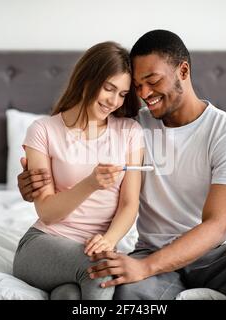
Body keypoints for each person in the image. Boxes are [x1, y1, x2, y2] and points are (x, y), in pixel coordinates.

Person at [17, 30, 226, 300]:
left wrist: (146, 267)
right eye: (138, 86)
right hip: (150, 250)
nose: (144, 93)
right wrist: (31, 182)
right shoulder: (134, 125)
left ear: (184, 71)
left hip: (216, 254)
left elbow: (218, 225)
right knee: (122, 293)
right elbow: (81, 146)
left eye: (153, 80)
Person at [12, 41, 144, 300]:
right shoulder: (43, 131)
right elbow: (47, 213)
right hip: (42, 244)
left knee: (69, 296)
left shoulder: (130, 132)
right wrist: (91, 183)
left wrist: (109, 240)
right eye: (109, 88)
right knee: (100, 271)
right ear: (87, 79)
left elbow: (130, 204)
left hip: (95, 248)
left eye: (122, 94)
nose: (114, 101)